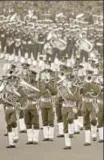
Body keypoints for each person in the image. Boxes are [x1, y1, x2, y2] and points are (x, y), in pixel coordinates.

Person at [39, 67, 57, 141]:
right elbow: (40, 92)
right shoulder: (40, 83)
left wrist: (49, 85)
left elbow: (55, 92)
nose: (46, 76)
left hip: (50, 103)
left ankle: (51, 136)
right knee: (44, 119)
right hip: (43, 103)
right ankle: (46, 136)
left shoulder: (52, 82)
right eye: (45, 74)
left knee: (51, 119)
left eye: (48, 74)